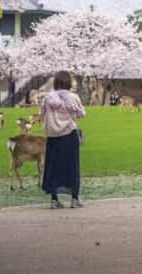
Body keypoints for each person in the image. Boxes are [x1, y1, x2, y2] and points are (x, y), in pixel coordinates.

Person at [40, 70, 86, 209]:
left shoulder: (47, 98)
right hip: (69, 134)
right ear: (68, 83)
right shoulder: (73, 97)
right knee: (72, 166)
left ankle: (54, 198)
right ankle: (74, 198)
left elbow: (41, 114)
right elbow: (81, 114)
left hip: (53, 136)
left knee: (53, 166)